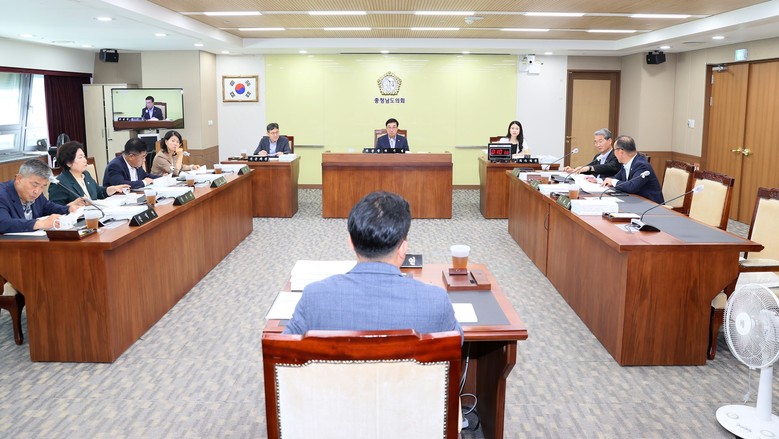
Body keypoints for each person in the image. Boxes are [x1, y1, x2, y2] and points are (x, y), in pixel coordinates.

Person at [284, 191, 462, 340]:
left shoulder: (314, 296)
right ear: (403, 249)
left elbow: (284, 349)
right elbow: (457, 342)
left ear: (351, 243)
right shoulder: (436, 300)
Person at [0, 159, 82, 233]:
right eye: (34, 184)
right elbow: (3, 223)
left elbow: (48, 206)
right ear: (19, 179)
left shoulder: (36, 193)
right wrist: (41, 223)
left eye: (43, 186)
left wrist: (68, 209)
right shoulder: (2, 194)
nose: (37, 191)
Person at [49, 141, 129, 205]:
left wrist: (112, 189)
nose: (85, 160)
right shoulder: (59, 184)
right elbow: (55, 210)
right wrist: (73, 205)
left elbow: (98, 191)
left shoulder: (85, 174)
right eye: (80, 157)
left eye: (84, 156)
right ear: (69, 163)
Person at [602, 135, 664, 204]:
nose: (614, 153)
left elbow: (632, 187)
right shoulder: (626, 162)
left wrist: (613, 182)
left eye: (614, 150)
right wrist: (602, 180)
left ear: (621, 152)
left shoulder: (641, 165)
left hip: (651, 205)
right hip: (636, 201)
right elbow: (616, 178)